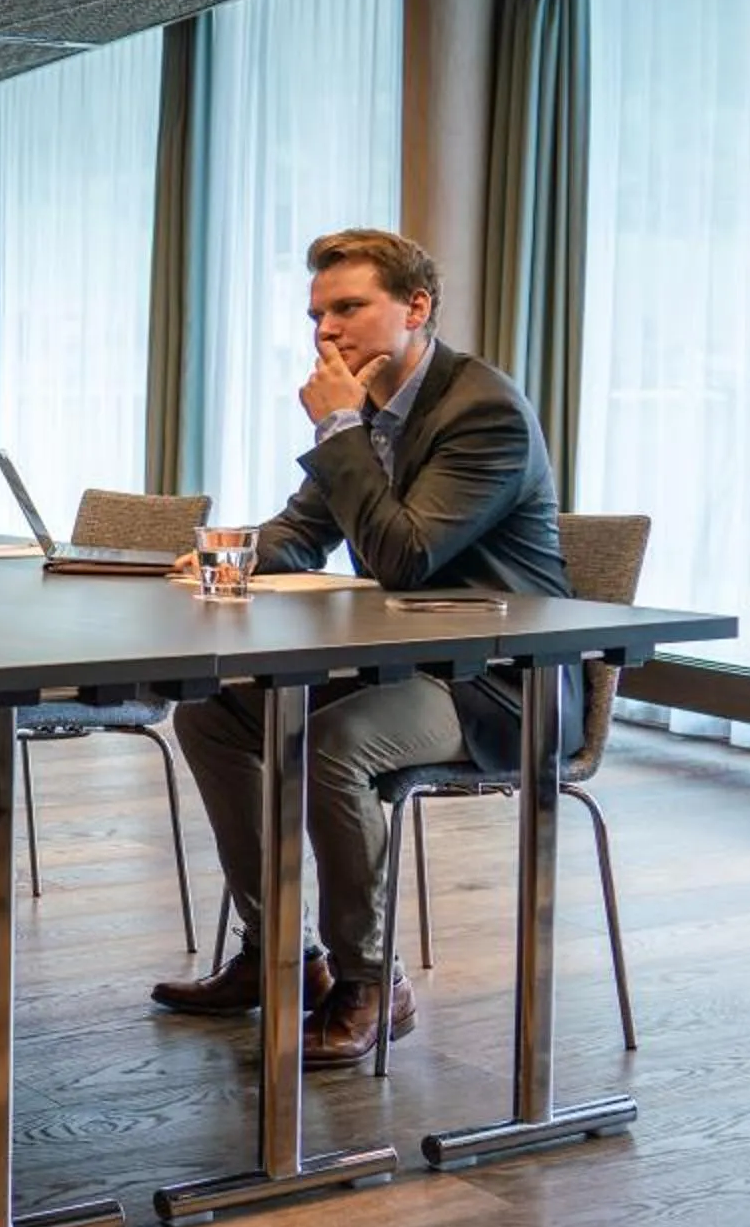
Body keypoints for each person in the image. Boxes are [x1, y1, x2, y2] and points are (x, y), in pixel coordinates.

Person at [152, 228, 573, 1068]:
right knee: (213, 716)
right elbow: (304, 531)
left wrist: (340, 425)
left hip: (496, 682)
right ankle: (282, 953)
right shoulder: (375, 412)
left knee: (333, 745)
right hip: (403, 661)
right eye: (317, 314)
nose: (326, 331)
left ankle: (373, 982)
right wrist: (227, 555)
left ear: (416, 308)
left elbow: (404, 556)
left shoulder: (481, 410)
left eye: (348, 308)